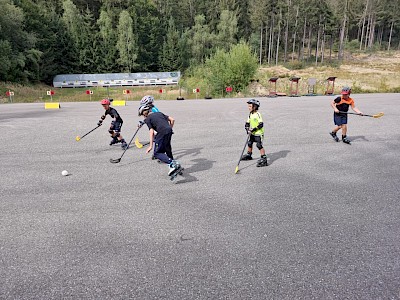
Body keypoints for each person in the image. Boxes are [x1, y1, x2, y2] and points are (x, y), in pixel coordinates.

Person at [138, 103, 182, 176]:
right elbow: (172, 119)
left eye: (142, 114)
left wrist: (151, 146)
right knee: (167, 148)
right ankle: (174, 166)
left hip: (161, 132)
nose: (143, 116)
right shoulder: (159, 113)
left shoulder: (148, 119)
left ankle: (172, 164)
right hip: (169, 131)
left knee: (157, 153)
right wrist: (170, 128)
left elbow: (151, 131)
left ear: (144, 113)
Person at [241, 99, 268, 167]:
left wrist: (254, 129)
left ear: (254, 107)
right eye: (248, 106)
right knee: (250, 143)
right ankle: (249, 155)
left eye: (250, 106)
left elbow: (261, 124)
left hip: (258, 133)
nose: (248, 108)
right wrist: (247, 129)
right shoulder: (250, 114)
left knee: (259, 145)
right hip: (252, 133)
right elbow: (247, 123)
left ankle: (264, 158)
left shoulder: (258, 114)